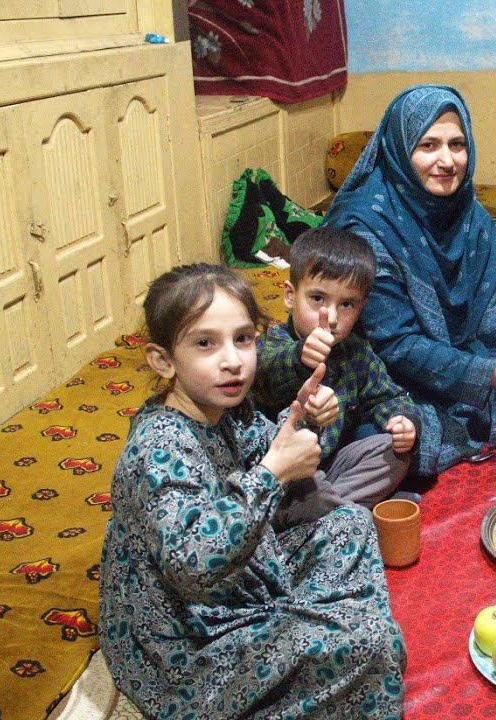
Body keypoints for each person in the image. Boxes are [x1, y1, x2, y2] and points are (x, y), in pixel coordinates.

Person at [99, 264, 406, 719]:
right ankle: (337, 646)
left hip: (236, 586)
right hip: (187, 646)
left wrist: (301, 415)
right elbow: (195, 566)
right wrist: (272, 474)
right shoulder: (157, 448)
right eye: (205, 343)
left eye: (243, 339)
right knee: (368, 641)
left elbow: (264, 443)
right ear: (163, 361)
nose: (233, 360)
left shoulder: (224, 407)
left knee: (350, 524)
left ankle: (329, 642)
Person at [322, 84, 496, 476]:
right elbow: (393, 344)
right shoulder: (365, 227)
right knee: (390, 441)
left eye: (458, 144)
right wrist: (491, 374)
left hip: (449, 351)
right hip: (377, 376)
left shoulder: (469, 216)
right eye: (428, 146)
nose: (447, 161)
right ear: (400, 150)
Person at [252, 226, 421, 520]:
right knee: (310, 486)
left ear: (360, 308)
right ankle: (340, 513)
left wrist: (403, 420)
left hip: (330, 468)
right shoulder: (274, 344)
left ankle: (326, 510)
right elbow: (261, 374)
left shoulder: (355, 351)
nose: (330, 317)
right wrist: (299, 357)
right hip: (282, 473)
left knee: (393, 453)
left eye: (346, 304)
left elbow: (387, 394)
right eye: (317, 298)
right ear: (290, 296)